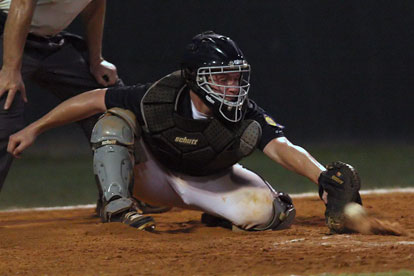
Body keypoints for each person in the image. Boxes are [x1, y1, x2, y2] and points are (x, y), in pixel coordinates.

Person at [7, 31, 362, 232]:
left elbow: (281, 146)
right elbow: (91, 100)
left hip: (209, 180)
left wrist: (322, 178)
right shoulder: (159, 97)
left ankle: (219, 215)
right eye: (221, 77)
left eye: (235, 77)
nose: (231, 85)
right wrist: (36, 128)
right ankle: (116, 207)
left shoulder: (243, 111)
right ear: (194, 78)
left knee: (269, 215)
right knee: (114, 119)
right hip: (156, 176)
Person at [0, 0, 121, 191]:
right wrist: (9, 69)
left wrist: (96, 59)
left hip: (49, 42)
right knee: (4, 117)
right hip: (6, 34)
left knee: (111, 102)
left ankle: (123, 193)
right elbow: (23, 2)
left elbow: (95, 4)